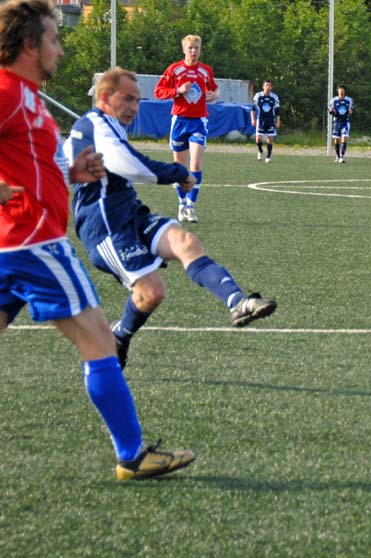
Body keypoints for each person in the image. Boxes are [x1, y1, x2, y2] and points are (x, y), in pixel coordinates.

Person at [0, 0, 194, 480]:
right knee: (100, 341)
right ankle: (132, 454)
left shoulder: (24, 96)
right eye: (53, 39)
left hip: (12, 244)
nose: (60, 50)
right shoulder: (6, 93)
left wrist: (71, 171)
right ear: (29, 45)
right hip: (34, 245)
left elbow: (25, 167)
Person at [65, 67, 278, 372]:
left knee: (186, 242)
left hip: (131, 214)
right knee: (152, 292)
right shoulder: (95, 124)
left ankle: (238, 303)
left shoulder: (103, 125)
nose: (134, 108)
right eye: (128, 99)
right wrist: (179, 174)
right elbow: (129, 165)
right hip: (106, 228)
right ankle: (119, 337)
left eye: (138, 101)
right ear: (104, 96)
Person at [153, 34, 219, 222]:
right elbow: (158, 92)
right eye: (190, 47)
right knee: (180, 168)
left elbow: (215, 88)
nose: (193, 51)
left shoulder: (206, 71)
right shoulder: (175, 69)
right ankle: (181, 203)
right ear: (184, 49)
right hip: (180, 121)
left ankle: (191, 206)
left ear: (200, 49)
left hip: (199, 121)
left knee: (196, 164)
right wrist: (178, 91)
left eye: (196, 48)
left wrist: (213, 95)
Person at [250, 79, 281, 163]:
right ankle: (260, 151)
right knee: (258, 139)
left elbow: (277, 111)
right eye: (266, 85)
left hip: (271, 119)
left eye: (269, 85)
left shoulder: (274, 97)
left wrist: (278, 121)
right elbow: (253, 109)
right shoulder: (258, 96)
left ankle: (268, 157)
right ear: (263, 86)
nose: (268, 87)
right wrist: (252, 119)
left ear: (271, 87)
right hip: (260, 120)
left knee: (270, 139)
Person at [328, 84, 353, 163]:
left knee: (344, 138)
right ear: (338, 91)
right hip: (337, 122)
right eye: (340, 89)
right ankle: (338, 156)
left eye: (342, 89)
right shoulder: (333, 100)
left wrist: (351, 112)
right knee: (336, 140)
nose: (341, 90)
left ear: (344, 91)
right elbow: (330, 110)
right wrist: (331, 111)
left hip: (345, 122)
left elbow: (352, 110)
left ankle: (341, 157)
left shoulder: (349, 100)